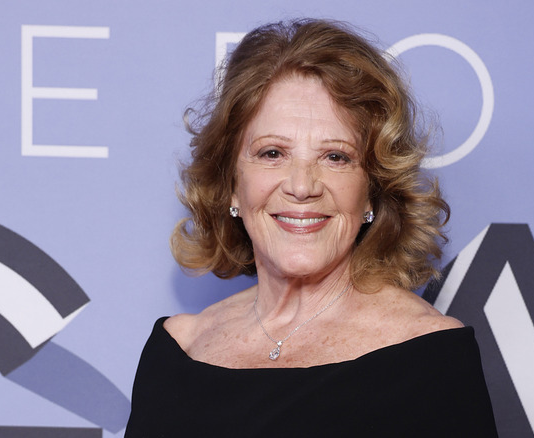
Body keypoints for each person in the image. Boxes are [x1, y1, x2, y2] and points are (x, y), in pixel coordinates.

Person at [125, 18, 497, 437]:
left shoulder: (429, 356)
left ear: (372, 190)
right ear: (231, 184)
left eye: (335, 157)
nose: (302, 186)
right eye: (272, 153)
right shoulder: (178, 349)